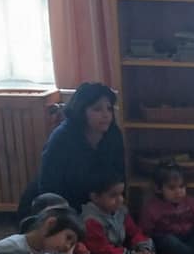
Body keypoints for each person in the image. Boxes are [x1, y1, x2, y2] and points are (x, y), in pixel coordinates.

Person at [33, 82, 125, 212]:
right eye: (97, 109)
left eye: (109, 109)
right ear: (81, 111)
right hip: (63, 206)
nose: (106, 115)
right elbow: (49, 185)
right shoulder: (61, 138)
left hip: (99, 205)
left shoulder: (113, 134)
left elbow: (119, 175)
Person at [81, 174, 155, 254]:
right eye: (113, 195)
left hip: (121, 251)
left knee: (148, 246)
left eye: (121, 194)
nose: (120, 199)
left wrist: (143, 249)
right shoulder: (90, 219)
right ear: (95, 197)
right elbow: (101, 249)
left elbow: (134, 232)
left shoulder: (121, 211)